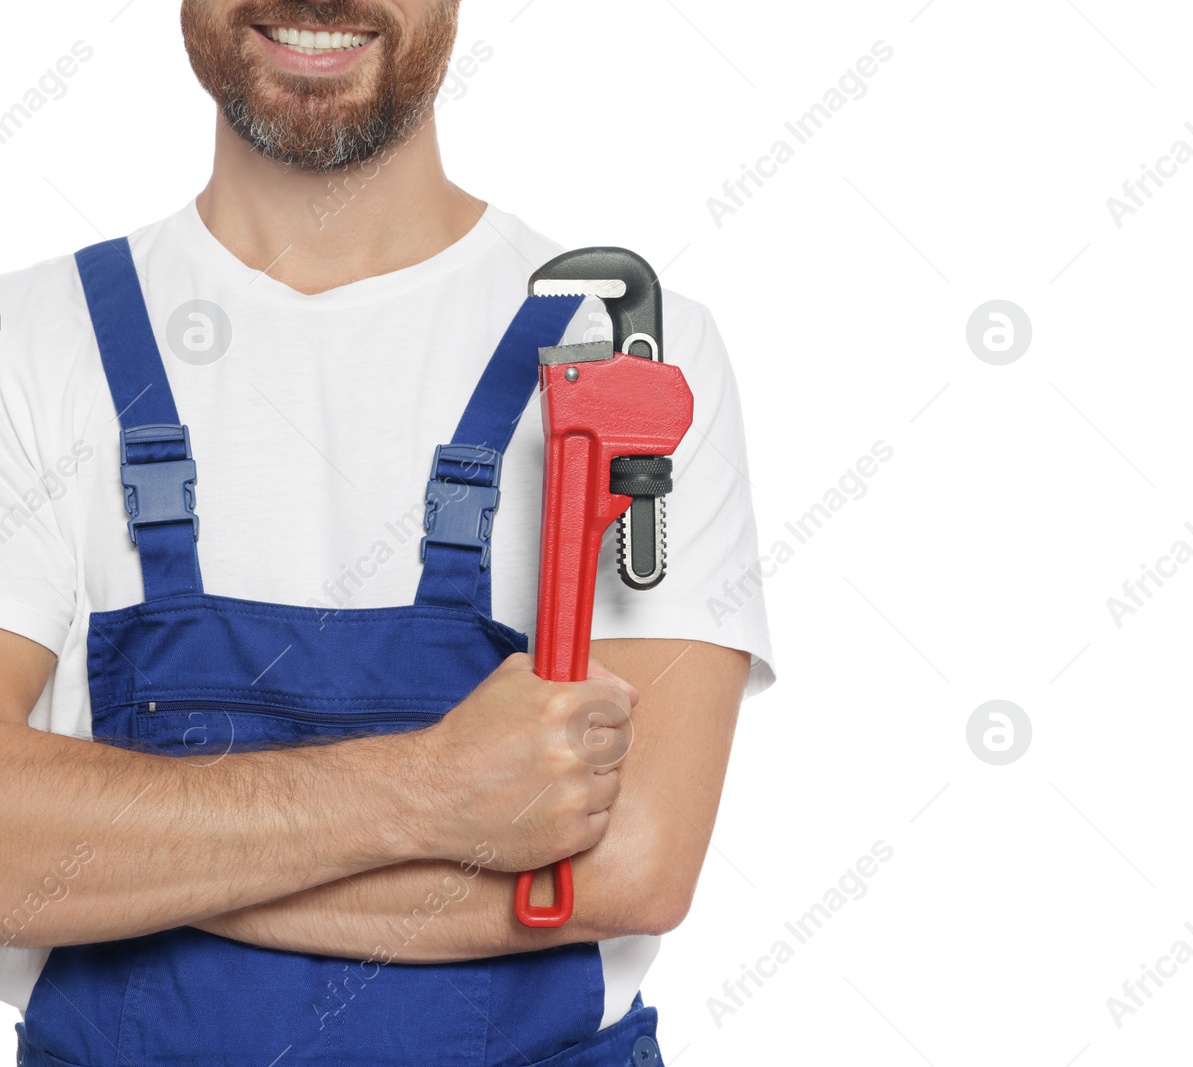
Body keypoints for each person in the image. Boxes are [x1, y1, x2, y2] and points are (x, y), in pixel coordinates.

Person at [0, 2, 774, 1064]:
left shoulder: (632, 351)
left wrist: (129, 859)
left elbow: (632, 863)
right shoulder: (29, 347)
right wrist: (433, 790)